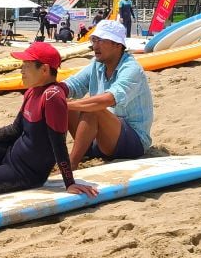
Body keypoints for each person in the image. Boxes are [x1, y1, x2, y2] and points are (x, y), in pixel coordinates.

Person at [0, 42, 98, 199]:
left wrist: (69, 182)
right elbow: (15, 129)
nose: (21, 70)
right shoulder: (32, 91)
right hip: (10, 154)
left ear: (45, 69)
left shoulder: (52, 97)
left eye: (26, 65)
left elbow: (59, 144)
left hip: (26, 173)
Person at [64, 20, 153, 169]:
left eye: (102, 40)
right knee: (61, 99)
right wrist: (54, 92)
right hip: (100, 139)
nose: (95, 45)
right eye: (94, 40)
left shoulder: (131, 69)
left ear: (118, 45)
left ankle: (71, 165)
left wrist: (66, 105)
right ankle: (78, 152)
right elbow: (74, 84)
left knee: (93, 107)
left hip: (133, 141)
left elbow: (110, 99)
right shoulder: (97, 64)